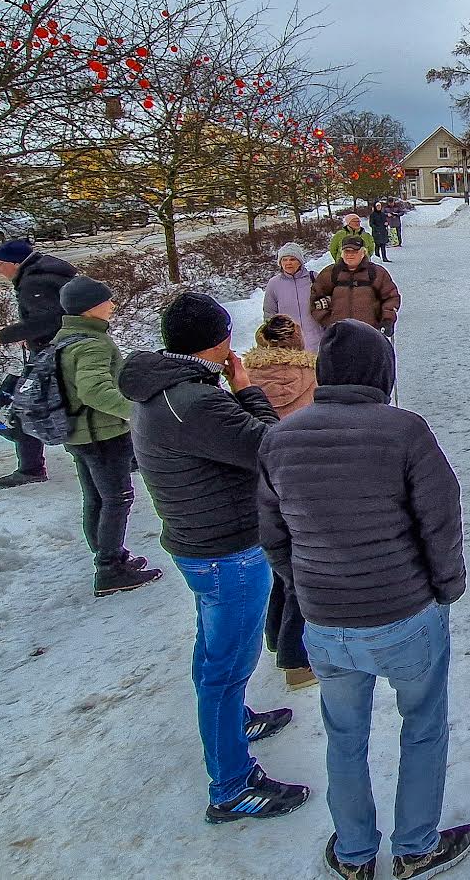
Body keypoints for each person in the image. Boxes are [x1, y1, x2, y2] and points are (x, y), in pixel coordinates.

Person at [258, 319, 470, 880]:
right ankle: (414, 846)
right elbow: (440, 519)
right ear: (383, 371)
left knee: (344, 735)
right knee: (423, 724)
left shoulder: (279, 438)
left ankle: (355, 853)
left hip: (326, 620)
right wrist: (445, 586)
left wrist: (305, 585)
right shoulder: (404, 431)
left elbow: (274, 534)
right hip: (403, 611)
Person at [117, 292, 308, 824]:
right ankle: (231, 787)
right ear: (220, 341)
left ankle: (236, 720)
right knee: (224, 667)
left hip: (202, 544)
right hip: (226, 551)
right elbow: (273, 449)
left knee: (213, 654)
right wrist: (248, 390)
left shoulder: (171, 391)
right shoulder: (198, 403)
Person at [52, 275, 163, 596]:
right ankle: (109, 568)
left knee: (98, 498)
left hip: (79, 434)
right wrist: (135, 410)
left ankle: (109, 556)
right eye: (107, 300)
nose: (112, 305)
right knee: (117, 498)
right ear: (89, 308)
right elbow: (93, 390)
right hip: (102, 435)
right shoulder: (90, 344)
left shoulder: (67, 337)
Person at [243, 314, 318, 690]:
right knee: (301, 567)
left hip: (260, 477)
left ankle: (274, 635)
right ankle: (296, 659)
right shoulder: (310, 375)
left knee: (276, 561)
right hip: (300, 474)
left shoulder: (245, 379)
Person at [0, 238, 78, 488]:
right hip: (63, 348)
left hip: (52, 355)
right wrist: (34, 338)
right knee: (73, 404)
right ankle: (127, 456)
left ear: (15, 263)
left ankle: (31, 468)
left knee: (26, 405)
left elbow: (46, 321)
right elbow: (57, 316)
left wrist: (3, 336)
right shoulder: (44, 273)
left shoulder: (34, 282)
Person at [312, 237, 401, 333]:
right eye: (346, 251)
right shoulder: (330, 273)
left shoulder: (377, 273)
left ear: (363, 253)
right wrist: (328, 321)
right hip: (339, 333)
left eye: (354, 252)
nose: (350, 255)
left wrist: (387, 319)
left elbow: (391, 297)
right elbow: (316, 298)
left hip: (369, 332)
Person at [245, 315, 318, 419]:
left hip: (263, 432)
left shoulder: (245, 377)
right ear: (298, 340)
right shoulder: (312, 373)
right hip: (302, 431)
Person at [263, 242, 324, 352]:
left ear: (300, 261)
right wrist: (274, 338)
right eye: (284, 260)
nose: (288, 263)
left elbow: (328, 305)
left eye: (292, 259)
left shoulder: (314, 278)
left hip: (317, 341)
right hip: (288, 345)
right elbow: (269, 313)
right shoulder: (274, 284)